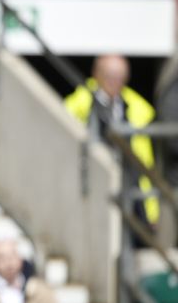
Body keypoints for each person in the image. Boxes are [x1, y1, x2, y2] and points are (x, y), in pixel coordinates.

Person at [64, 54, 158, 228]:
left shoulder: (138, 110)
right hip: (91, 185)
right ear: (96, 75)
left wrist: (152, 210)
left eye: (119, 77)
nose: (115, 82)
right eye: (109, 76)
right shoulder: (78, 105)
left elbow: (146, 165)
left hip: (128, 186)